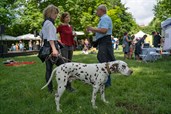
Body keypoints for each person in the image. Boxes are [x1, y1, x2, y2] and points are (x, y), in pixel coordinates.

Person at [87, 5, 115, 87]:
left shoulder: (104, 18)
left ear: (101, 10)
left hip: (105, 42)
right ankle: (106, 82)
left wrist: (92, 28)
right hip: (104, 42)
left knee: (104, 62)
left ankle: (106, 83)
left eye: (97, 10)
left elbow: (104, 30)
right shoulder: (104, 18)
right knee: (104, 61)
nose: (96, 12)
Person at [41, 5, 65, 93]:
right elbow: (50, 38)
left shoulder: (45, 23)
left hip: (47, 48)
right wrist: (54, 49)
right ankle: (68, 87)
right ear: (50, 13)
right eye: (55, 13)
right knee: (64, 67)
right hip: (51, 48)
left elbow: (42, 36)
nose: (56, 15)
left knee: (48, 70)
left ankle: (50, 90)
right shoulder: (50, 23)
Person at [57, 12, 75, 91]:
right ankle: (66, 85)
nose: (68, 18)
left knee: (70, 66)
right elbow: (53, 33)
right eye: (66, 17)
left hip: (71, 46)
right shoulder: (61, 26)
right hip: (64, 47)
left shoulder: (70, 26)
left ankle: (69, 85)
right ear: (63, 18)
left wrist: (74, 35)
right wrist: (59, 42)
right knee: (65, 66)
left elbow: (71, 36)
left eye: (69, 17)